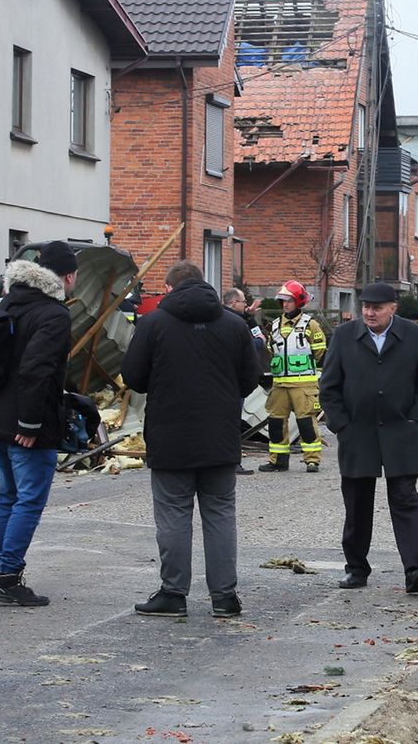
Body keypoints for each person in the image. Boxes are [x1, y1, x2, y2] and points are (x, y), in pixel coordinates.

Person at [122, 261, 261, 619]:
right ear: (205, 284)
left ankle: (173, 594)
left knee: (173, 515)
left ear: (169, 289)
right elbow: (250, 378)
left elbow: (134, 378)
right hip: (220, 435)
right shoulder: (234, 324)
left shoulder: (153, 324)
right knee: (220, 514)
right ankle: (225, 597)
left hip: (171, 436)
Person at [0, 240, 78, 607]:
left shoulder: (10, 302)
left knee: (9, 497)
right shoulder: (53, 314)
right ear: (66, 276)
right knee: (28, 500)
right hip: (25, 423)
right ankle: (8, 578)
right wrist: (31, 423)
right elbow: (36, 371)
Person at [318, 282, 418, 593]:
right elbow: (329, 387)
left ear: (392, 308)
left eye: (377, 307)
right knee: (357, 503)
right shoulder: (345, 336)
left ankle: (414, 569)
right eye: (366, 307)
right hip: (358, 433)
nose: (370, 312)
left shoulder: (411, 335)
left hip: (402, 432)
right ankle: (356, 568)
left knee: (405, 498)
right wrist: (341, 425)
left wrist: (417, 418)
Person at [261, 280, 327, 473]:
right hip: (280, 384)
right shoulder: (273, 326)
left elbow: (320, 354)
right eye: (283, 301)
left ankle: (312, 460)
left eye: (289, 300)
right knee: (275, 423)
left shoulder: (311, 325)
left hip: (303, 384)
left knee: (306, 422)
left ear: (298, 301)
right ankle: (278, 460)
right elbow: (271, 352)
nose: (285, 304)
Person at [222, 287, 265, 476]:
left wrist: (249, 317)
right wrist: (259, 342)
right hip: (234, 381)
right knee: (232, 423)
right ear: (233, 303)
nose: (246, 305)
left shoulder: (225, 318)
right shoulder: (235, 323)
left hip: (223, 380)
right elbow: (251, 344)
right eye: (243, 302)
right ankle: (233, 462)